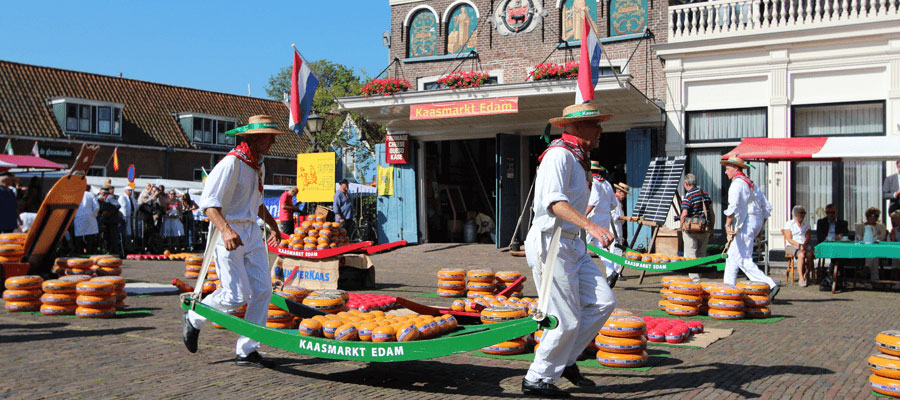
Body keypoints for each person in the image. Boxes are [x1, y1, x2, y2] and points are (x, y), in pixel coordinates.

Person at [523, 103, 617, 398]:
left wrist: (585, 232)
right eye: (595, 124)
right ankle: (537, 378)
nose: (601, 129)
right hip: (552, 244)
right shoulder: (558, 156)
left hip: (572, 242)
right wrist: (593, 227)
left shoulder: (578, 159)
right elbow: (554, 203)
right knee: (565, 318)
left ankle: (564, 361)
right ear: (575, 128)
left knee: (603, 301)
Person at [183, 114, 283, 368]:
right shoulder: (230, 164)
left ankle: (247, 350)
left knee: (263, 291)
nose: (273, 140)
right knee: (235, 294)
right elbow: (208, 204)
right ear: (254, 138)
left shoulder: (258, 164)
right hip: (228, 233)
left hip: (251, 231)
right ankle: (194, 316)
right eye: (269, 136)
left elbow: (258, 202)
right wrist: (226, 230)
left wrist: (273, 225)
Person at [721, 156, 779, 298]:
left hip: (747, 222)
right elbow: (766, 206)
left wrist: (727, 225)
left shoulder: (736, 185)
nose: (725, 172)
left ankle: (769, 285)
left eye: (728, 169)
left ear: (735, 168)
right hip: (754, 221)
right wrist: (759, 228)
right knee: (732, 256)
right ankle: (729, 289)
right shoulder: (751, 184)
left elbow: (733, 207)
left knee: (742, 258)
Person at [584, 161, 621, 286]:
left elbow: (593, 200)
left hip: (593, 215)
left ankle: (584, 274)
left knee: (581, 243)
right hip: (605, 216)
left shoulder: (594, 182)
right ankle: (611, 271)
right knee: (600, 246)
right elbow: (613, 204)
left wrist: (583, 215)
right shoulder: (607, 183)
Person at [680, 173, 713, 258]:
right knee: (701, 256)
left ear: (686, 183)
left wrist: (681, 227)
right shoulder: (705, 194)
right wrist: (711, 229)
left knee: (691, 257)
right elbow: (712, 213)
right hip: (704, 229)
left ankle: (693, 272)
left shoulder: (688, 196)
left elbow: (684, 214)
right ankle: (700, 271)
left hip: (691, 230)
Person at [782, 205, 812, 287]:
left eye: (804, 213)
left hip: (804, 244)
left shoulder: (806, 224)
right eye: (801, 213)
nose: (803, 215)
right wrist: (799, 245)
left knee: (810, 255)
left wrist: (804, 244)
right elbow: (789, 239)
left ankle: (807, 273)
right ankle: (801, 278)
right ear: (795, 214)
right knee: (801, 255)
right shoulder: (789, 224)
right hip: (792, 245)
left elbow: (808, 236)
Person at [855, 207, 887, 283]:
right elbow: (859, 237)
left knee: (873, 251)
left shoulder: (881, 226)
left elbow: (882, 237)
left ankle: (866, 268)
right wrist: (874, 236)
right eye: (875, 216)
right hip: (863, 249)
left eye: (878, 216)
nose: (877, 218)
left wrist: (869, 236)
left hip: (877, 249)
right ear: (868, 216)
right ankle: (875, 280)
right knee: (874, 255)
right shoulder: (860, 226)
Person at [97, 185, 123, 256]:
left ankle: (114, 252)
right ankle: (109, 250)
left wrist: (109, 213)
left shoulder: (110, 197)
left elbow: (117, 205)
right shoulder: (104, 198)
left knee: (112, 237)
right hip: (107, 221)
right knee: (107, 237)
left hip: (111, 221)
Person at [73, 185, 99, 254]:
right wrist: (94, 215)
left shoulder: (76, 194)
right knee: (90, 235)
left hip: (78, 216)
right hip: (90, 217)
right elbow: (97, 206)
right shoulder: (91, 195)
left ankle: (79, 252)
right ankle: (89, 251)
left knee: (79, 235)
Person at [119, 186, 138, 252]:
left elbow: (135, 206)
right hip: (126, 217)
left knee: (131, 233)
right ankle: (126, 248)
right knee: (126, 233)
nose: (130, 192)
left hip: (132, 217)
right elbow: (123, 208)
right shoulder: (123, 197)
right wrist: (125, 218)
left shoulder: (132, 198)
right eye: (129, 190)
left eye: (131, 190)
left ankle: (130, 247)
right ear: (125, 191)